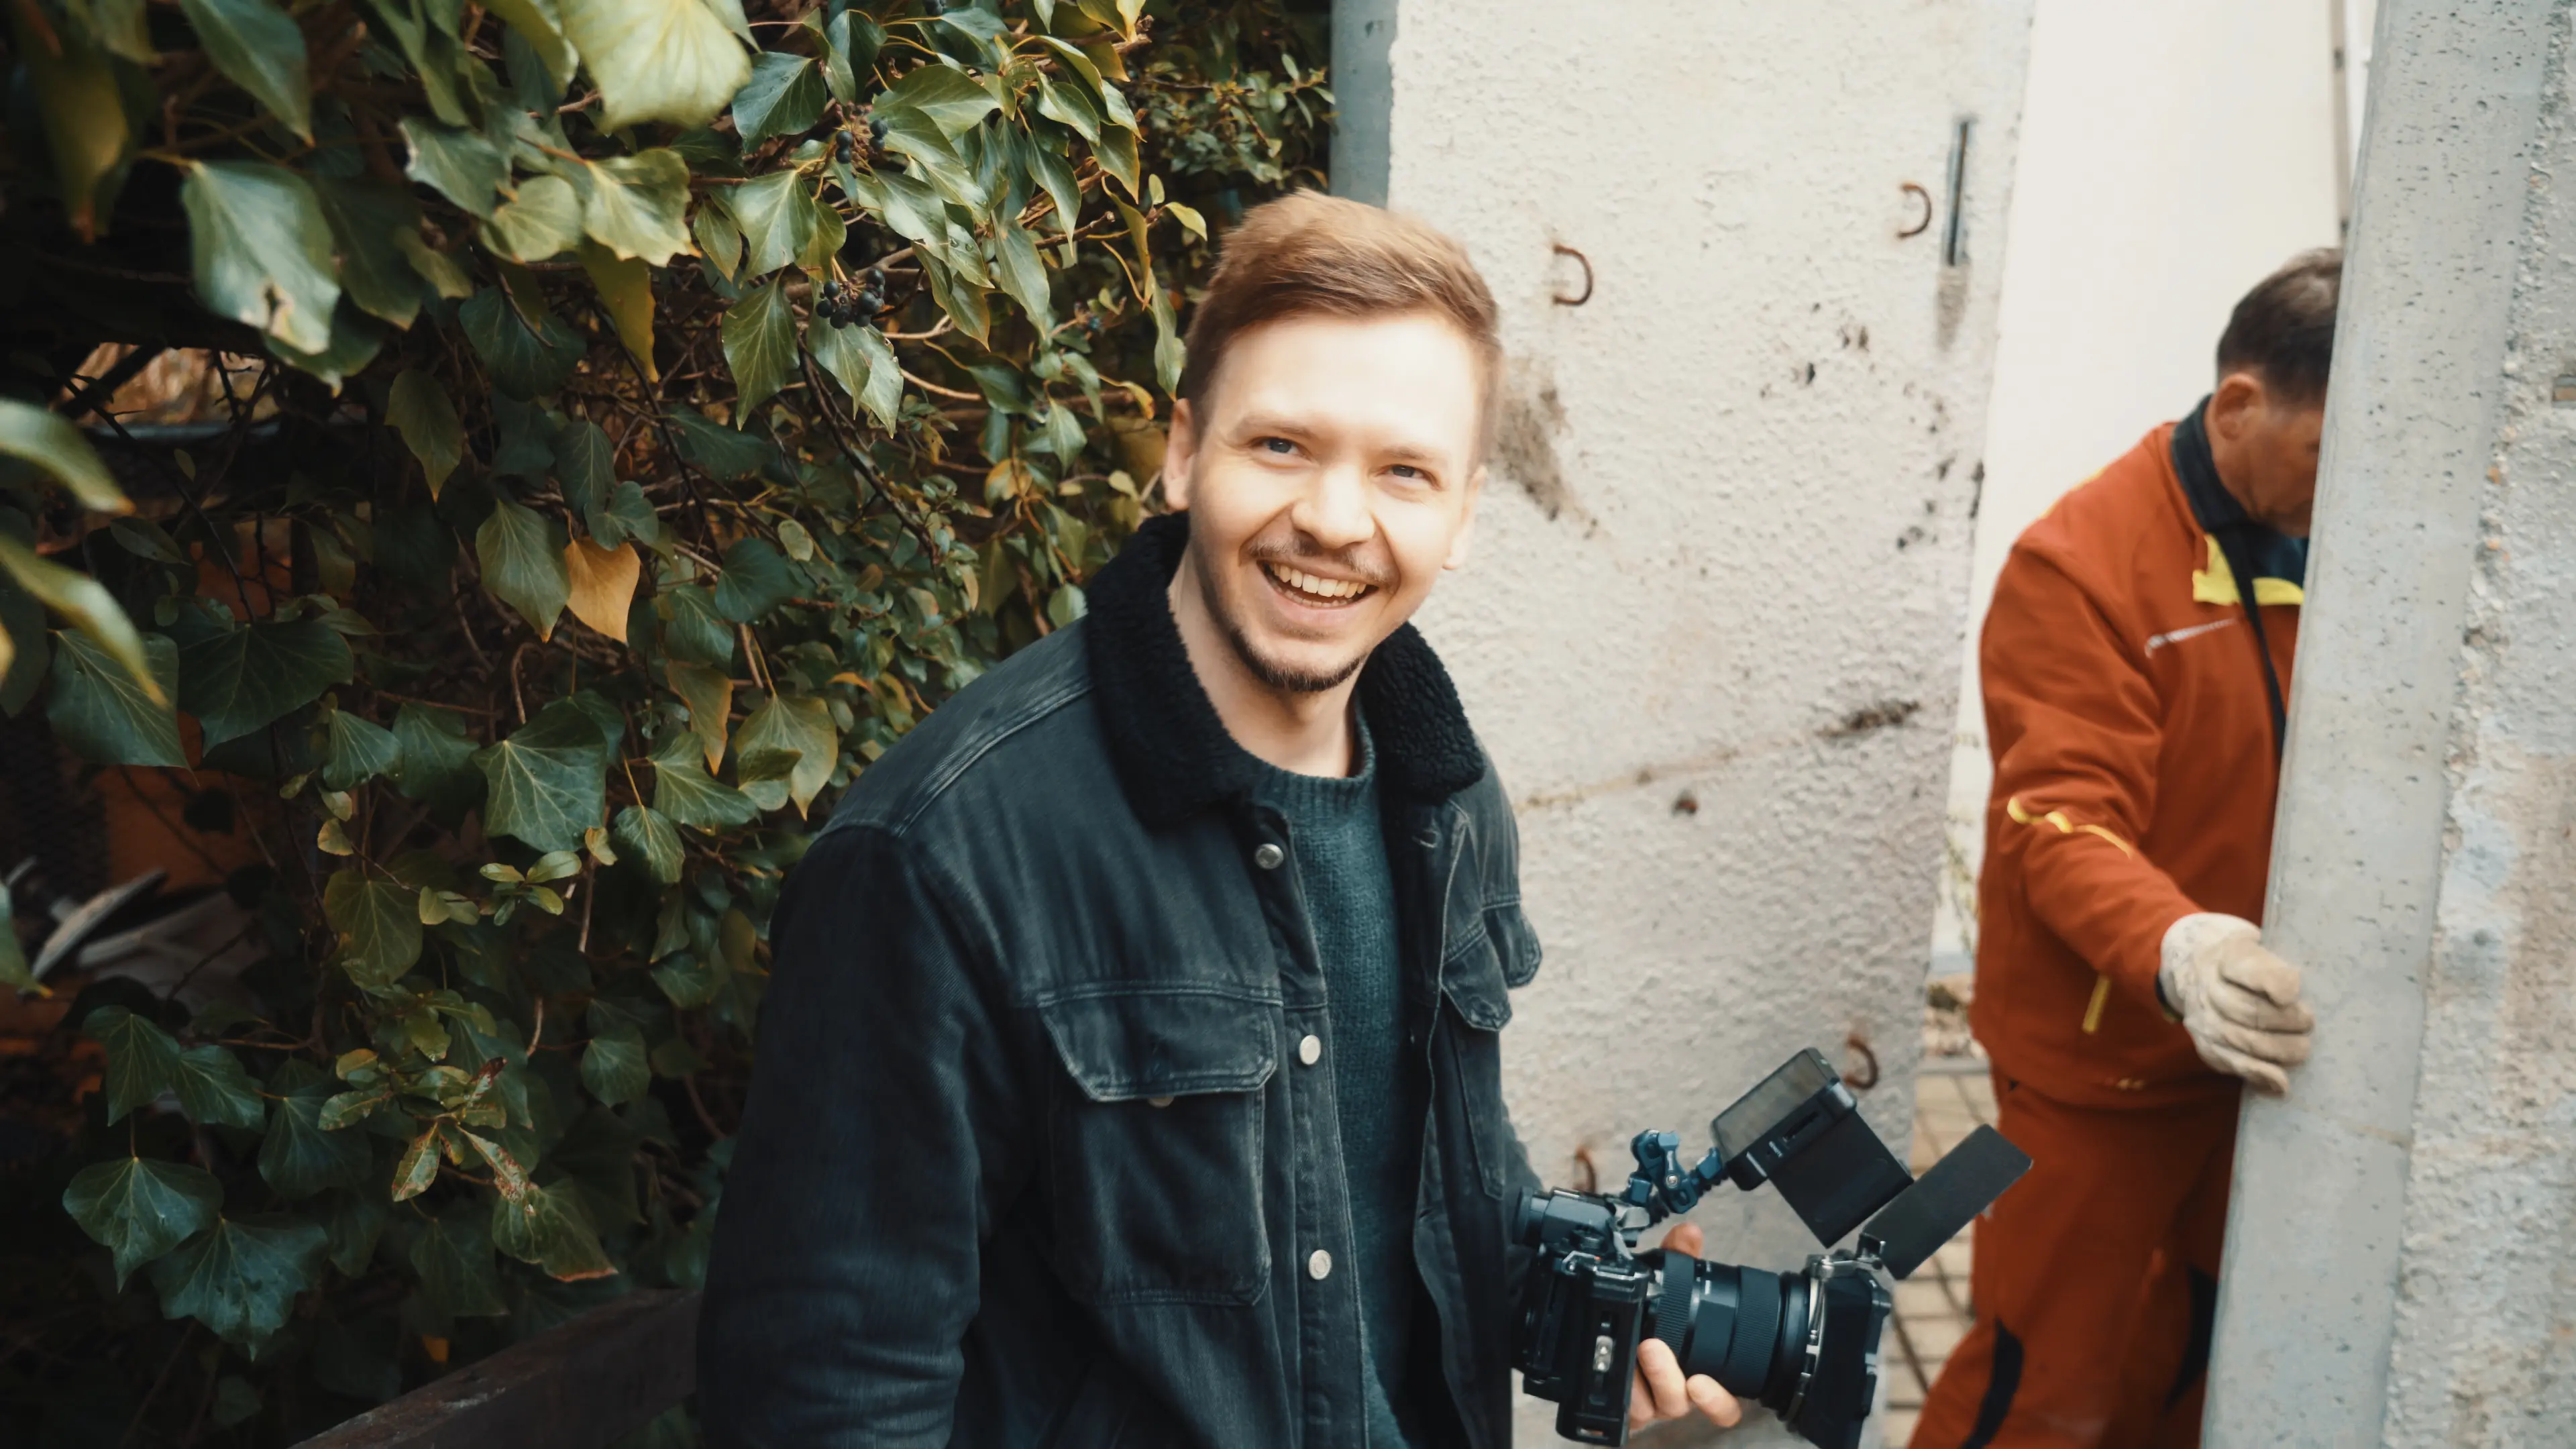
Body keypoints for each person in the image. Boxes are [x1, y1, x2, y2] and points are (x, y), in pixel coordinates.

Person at [697, 192, 1739, 1447]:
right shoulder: (940, 857)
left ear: (1461, 516)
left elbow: (1402, 1179)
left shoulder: (1447, 794)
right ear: (1184, 455)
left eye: (1403, 471)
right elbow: (829, 1392)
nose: (1337, 522)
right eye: (1283, 447)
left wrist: (1576, 1295)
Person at [1909, 250, 2339, 1449]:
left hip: (2260, 1062)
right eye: (2325, 453)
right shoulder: (2080, 567)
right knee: (2041, 1382)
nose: (2350, 489)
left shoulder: (2337, 537)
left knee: (2201, 1357)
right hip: (2100, 1069)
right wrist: (2181, 949)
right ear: (2242, 406)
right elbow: (2061, 819)